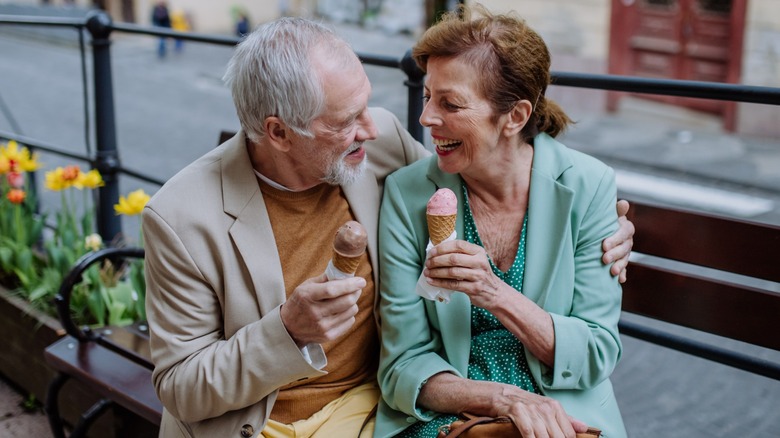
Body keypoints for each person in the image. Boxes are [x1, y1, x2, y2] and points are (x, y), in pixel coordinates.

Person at [142, 17, 634, 438]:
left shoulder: (379, 150)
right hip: (268, 420)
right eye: (348, 119)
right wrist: (287, 332)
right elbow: (182, 389)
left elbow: (476, 174)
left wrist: (609, 229)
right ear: (278, 132)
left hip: (370, 406)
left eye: (366, 107)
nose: (378, 127)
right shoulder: (182, 217)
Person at [376, 6, 628, 438]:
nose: (426, 118)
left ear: (515, 117)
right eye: (427, 96)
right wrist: (502, 401)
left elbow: (594, 353)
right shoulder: (409, 192)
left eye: (451, 103)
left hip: (560, 409)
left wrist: (491, 291)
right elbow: (403, 364)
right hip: (450, 412)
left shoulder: (588, 186)